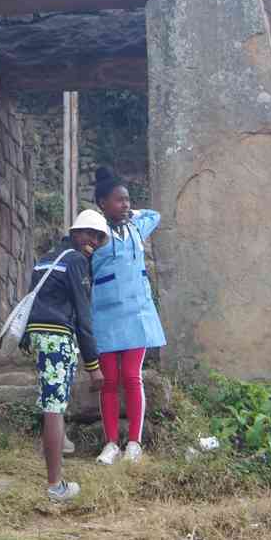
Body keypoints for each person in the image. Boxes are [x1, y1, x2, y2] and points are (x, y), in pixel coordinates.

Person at [24, 209, 108, 502]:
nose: (94, 241)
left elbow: (33, 299)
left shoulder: (46, 258)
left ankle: (60, 447)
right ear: (74, 234)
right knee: (54, 408)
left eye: (99, 237)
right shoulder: (75, 261)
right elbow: (84, 316)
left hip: (40, 334)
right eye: (89, 234)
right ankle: (55, 486)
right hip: (57, 335)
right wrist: (94, 365)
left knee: (53, 403)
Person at [90, 166, 166, 465]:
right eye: (119, 200)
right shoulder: (95, 234)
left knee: (132, 377)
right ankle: (111, 444)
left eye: (127, 200)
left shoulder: (136, 228)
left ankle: (134, 442)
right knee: (109, 380)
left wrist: (131, 213)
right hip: (105, 316)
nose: (125, 204)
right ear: (102, 204)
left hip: (137, 314)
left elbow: (154, 215)